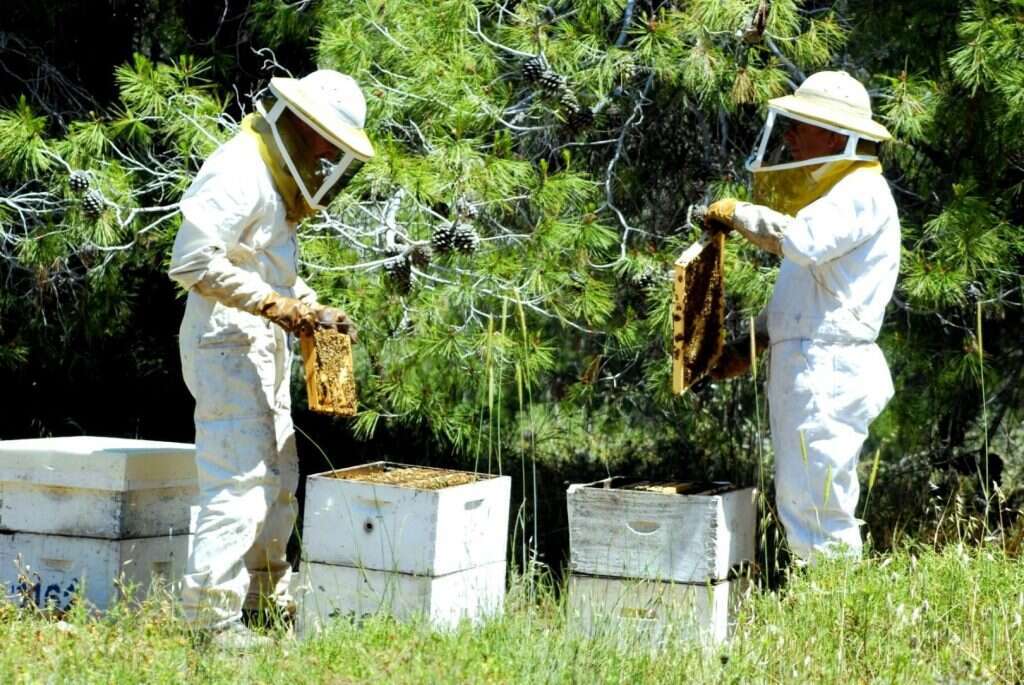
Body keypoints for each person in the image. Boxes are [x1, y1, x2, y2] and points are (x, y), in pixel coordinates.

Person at [168, 70, 370, 648]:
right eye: (328, 138)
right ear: (301, 125)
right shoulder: (240, 169)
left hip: (259, 343)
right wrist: (276, 304)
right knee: (238, 481)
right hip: (226, 344)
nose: (331, 154)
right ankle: (210, 623)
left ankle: (264, 603)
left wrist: (309, 305)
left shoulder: (275, 186)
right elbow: (191, 261)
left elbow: (264, 269)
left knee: (279, 478)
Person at [698, 71, 900, 563]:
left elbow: (801, 243)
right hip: (814, 362)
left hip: (829, 366)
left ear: (833, 135)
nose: (788, 138)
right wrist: (755, 341)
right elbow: (807, 290)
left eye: (799, 126)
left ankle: (836, 615)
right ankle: (828, 609)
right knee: (802, 494)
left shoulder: (860, 192)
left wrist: (739, 213)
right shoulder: (837, 196)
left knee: (817, 503)